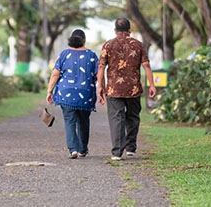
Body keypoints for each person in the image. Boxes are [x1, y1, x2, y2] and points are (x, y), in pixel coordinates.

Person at [97, 17, 156, 161]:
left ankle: (117, 153)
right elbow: (146, 65)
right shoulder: (139, 45)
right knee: (133, 117)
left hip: (114, 89)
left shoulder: (108, 45)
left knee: (116, 118)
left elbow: (101, 67)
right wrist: (152, 85)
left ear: (115, 30)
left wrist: (101, 86)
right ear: (130, 30)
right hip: (133, 88)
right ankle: (130, 148)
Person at [46, 29, 105, 159]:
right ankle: (82, 149)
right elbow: (98, 73)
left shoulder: (64, 54)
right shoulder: (91, 55)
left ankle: (73, 149)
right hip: (86, 93)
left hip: (66, 92)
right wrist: (101, 88)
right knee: (83, 121)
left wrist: (49, 90)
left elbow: (55, 73)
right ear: (84, 40)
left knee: (69, 120)